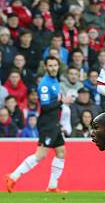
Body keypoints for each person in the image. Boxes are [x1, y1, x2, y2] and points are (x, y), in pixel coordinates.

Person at [5, 56, 67, 193]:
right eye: (50, 66)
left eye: (55, 65)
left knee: (61, 152)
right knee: (40, 155)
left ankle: (52, 185)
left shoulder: (54, 80)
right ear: (45, 67)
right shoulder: (44, 84)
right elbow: (44, 106)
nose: (53, 68)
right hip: (47, 124)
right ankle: (13, 176)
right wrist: (62, 101)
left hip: (54, 123)